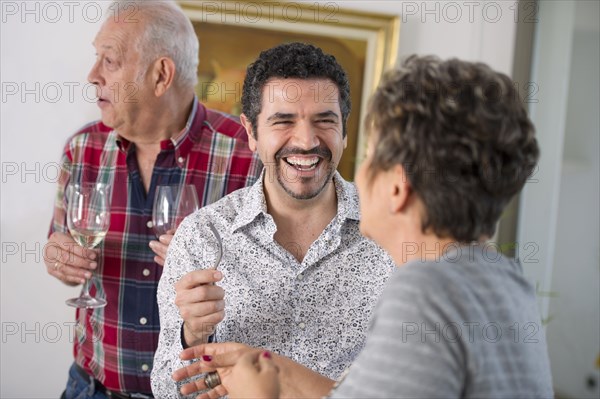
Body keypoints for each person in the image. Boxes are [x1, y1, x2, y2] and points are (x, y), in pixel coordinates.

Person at [172, 56, 555, 398]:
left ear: (397, 187)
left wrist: (261, 393)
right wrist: (270, 366)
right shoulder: (503, 276)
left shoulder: (424, 287)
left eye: (370, 156)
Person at [43, 1, 262, 397]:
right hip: (91, 388)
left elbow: (276, 282)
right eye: (97, 58)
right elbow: (62, 248)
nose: (93, 75)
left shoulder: (246, 156)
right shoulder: (82, 148)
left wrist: (212, 265)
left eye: (109, 61)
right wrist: (59, 259)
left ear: (161, 74)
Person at [151, 42, 394, 397]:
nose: (307, 141)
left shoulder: (395, 230)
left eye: (324, 120)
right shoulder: (202, 236)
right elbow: (165, 389)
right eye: (284, 121)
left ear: (344, 130)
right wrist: (193, 334)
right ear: (250, 132)